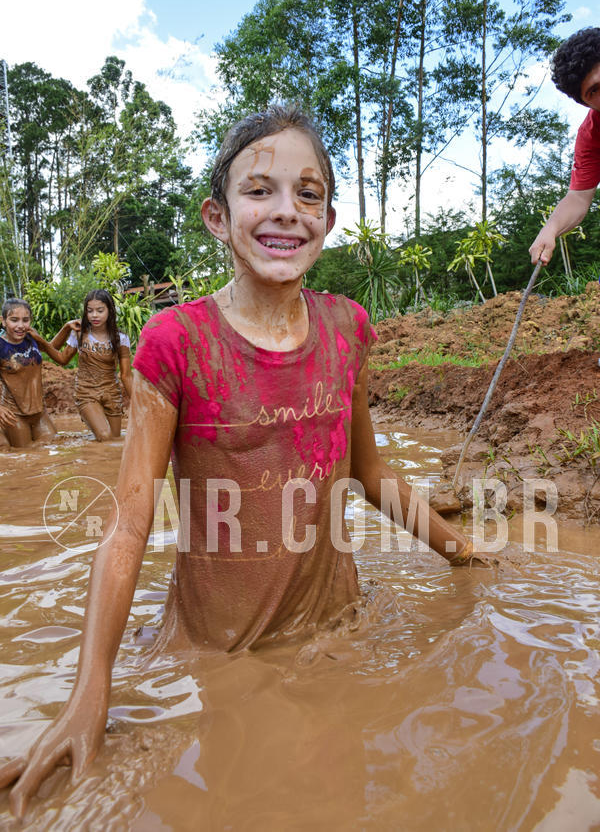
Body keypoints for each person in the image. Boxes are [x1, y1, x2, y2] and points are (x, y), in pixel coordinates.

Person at [0, 105, 493, 817]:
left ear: (327, 220)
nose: (287, 211)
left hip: (340, 625)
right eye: (259, 190)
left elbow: (369, 472)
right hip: (216, 648)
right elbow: (131, 521)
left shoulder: (348, 326)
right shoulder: (175, 341)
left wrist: (465, 557)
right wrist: (89, 696)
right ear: (217, 216)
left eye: (309, 193)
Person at [530, 27, 600, 265]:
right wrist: (550, 229)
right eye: (595, 90)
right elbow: (579, 199)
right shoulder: (591, 135)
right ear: (584, 102)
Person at [48, 289, 132, 441]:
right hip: (86, 393)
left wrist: (138, 403)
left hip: (112, 394)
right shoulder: (80, 334)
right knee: (105, 436)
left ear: (110, 311)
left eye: (100, 310)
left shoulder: (121, 338)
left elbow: (126, 375)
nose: (94, 315)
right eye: (90, 311)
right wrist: (66, 327)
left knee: (115, 440)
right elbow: (62, 359)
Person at [0, 298, 59, 448]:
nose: (20, 326)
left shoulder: (31, 337)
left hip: (39, 412)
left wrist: (67, 328)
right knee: (26, 455)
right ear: (3, 321)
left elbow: (53, 350)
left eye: (25, 320)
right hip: (14, 415)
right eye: (14, 320)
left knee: (51, 447)